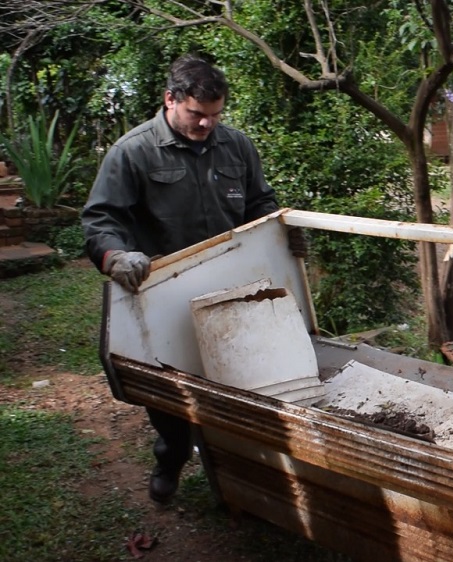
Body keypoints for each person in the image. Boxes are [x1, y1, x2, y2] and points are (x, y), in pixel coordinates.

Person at [82, 54, 306, 504]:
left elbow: (260, 205)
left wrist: (282, 230)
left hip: (232, 289)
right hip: (165, 296)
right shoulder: (132, 151)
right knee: (173, 396)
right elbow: (101, 219)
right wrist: (116, 256)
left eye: (215, 115)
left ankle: (241, 476)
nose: (207, 124)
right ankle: (172, 458)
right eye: (197, 114)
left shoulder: (236, 146)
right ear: (170, 99)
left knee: (240, 380)